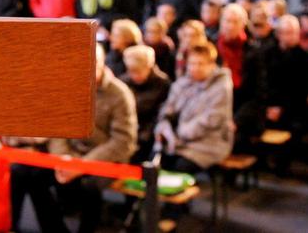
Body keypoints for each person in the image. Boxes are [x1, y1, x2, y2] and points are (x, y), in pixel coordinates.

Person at [43, 44, 137, 233]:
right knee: (30, 173)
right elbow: (57, 128)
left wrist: (82, 165)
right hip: (73, 153)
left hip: (106, 158)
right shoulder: (69, 87)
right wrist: (64, 158)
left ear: (102, 64)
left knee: (90, 186)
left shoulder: (120, 94)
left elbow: (122, 142)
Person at [155, 43, 234, 173]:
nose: (195, 68)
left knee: (179, 167)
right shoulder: (182, 83)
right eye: (192, 63)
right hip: (177, 140)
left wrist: (181, 133)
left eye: (200, 64)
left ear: (211, 65)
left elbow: (211, 120)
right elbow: (167, 109)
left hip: (208, 143)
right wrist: (163, 129)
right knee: (154, 162)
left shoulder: (221, 86)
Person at [257, 16, 308, 174]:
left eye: (294, 32)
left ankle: (282, 165)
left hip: (293, 106)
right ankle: (260, 161)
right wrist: (270, 106)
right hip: (267, 103)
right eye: (287, 32)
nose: (291, 37)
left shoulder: (306, 58)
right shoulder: (266, 54)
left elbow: (302, 89)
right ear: (279, 34)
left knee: (295, 124)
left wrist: (281, 107)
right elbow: (262, 83)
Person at [120, 45, 171, 163]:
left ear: (149, 67)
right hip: (126, 129)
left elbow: (161, 114)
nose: (134, 75)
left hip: (147, 135)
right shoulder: (124, 82)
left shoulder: (163, 84)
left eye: (138, 71)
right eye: (130, 71)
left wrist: (142, 136)